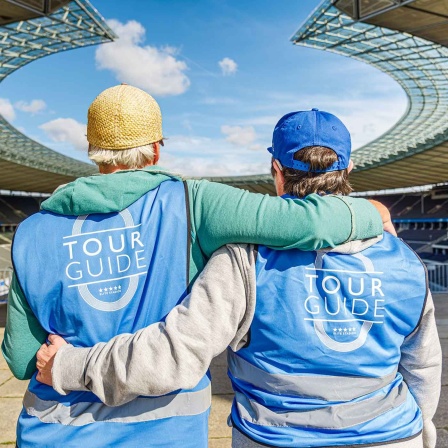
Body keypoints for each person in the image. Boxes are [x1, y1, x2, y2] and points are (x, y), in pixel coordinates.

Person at [1, 86, 387, 448]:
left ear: (92, 148)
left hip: (54, 430)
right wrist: (372, 212)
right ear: (155, 150)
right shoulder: (195, 203)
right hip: (165, 432)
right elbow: (310, 222)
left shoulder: (32, 231)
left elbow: (21, 359)